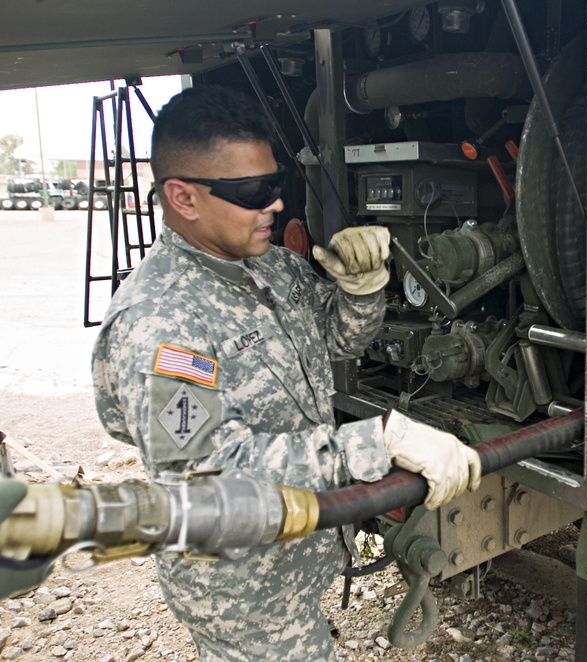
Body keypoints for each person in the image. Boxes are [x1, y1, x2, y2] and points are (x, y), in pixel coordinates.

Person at [91, 85, 481, 661]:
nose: (273, 204)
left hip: (296, 552)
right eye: (252, 191)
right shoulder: (160, 320)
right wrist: (376, 443)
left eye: (276, 185)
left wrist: (362, 288)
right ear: (183, 198)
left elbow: (339, 339)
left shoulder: (270, 267)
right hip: (241, 584)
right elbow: (207, 474)